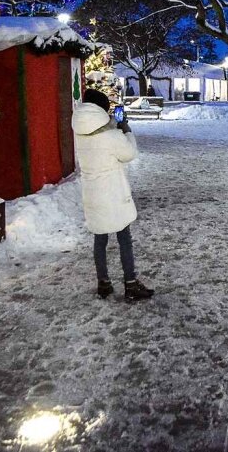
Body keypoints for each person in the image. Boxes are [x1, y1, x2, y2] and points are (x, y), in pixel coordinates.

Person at [72, 88, 154, 301]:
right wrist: (125, 128)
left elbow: (98, 140)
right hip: (113, 194)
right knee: (124, 238)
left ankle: (104, 283)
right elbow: (129, 153)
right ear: (101, 109)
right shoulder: (110, 135)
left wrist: (111, 126)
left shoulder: (80, 131)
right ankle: (130, 284)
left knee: (100, 239)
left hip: (92, 194)